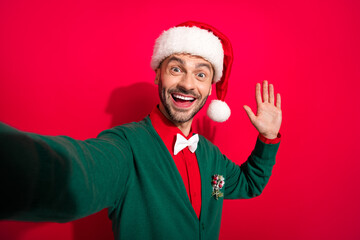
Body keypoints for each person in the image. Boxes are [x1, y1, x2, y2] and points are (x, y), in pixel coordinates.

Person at [0, 21, 282, 239]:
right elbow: (74, 171)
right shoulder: (125, 148)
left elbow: (248, 184)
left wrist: (267, 138)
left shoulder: (212, 157)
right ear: (158, 73)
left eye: (200, 74)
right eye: (176, 69)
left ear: (210, 88)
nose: (187, 84)